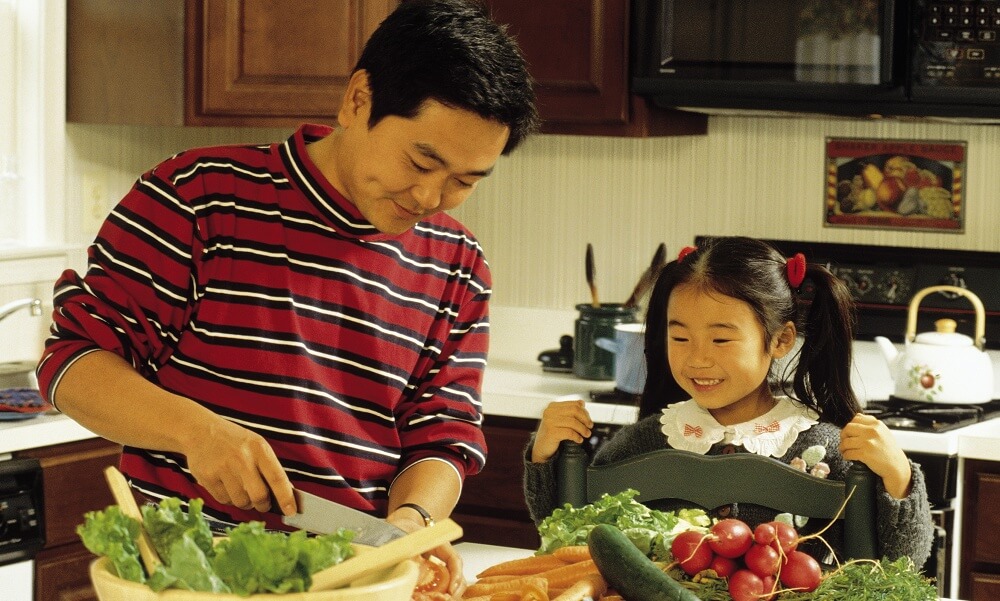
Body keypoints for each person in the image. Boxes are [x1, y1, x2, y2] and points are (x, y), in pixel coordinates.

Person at [37, 0, 538, 596]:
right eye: (421, 161)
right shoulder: (196, 199)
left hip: (353, 581)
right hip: (188, 580)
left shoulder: (458, 265)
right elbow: (71, 366)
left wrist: (411, 524)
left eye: (464, 180)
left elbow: (443, 434)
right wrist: (196, 432)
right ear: (358, 100)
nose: (431, 197)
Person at [523, 236, 934, 568]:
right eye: (680, 337)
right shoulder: (643, 443)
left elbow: (898, 569)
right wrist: (544, 458)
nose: (697, 359)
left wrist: (899, 478)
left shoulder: (827, 449)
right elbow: (568, 546)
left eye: (721, 339)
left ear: (781, 340)